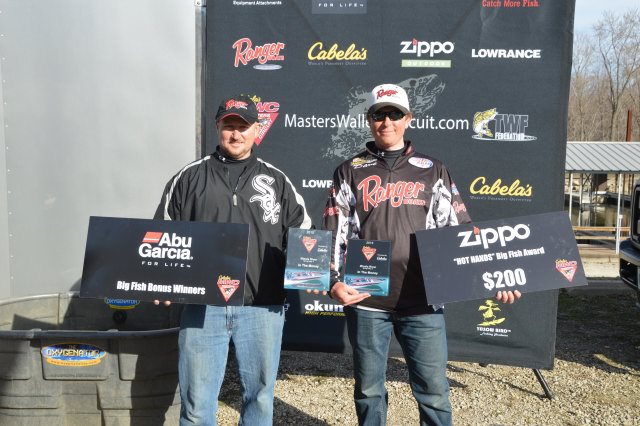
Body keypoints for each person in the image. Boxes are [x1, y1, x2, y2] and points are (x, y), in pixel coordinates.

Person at [323, 83, 520, 426]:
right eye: (379, 114)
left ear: (408, 119)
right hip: (366, 299)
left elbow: (460, 231)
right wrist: (332, 282)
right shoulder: (349, 170)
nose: (386, 122)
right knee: (368, 390)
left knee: (433, 391)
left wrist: (493, 276)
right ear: (369, 120)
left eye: (394, 114)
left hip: (424, 299)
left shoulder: (432, 169)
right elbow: (333, 232)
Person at [154, 94, 312, 425]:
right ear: (218, 127)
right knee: (196, 405)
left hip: (261, 306)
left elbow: (304, 234)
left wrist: (312, 272)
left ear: (257, 129)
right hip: (203, 307)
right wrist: (163, 280)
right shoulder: (189, 177)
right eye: (229, 126)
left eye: (244, 126)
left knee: (260, 399)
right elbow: (163, 235)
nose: (236, 133)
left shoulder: (278, 181)